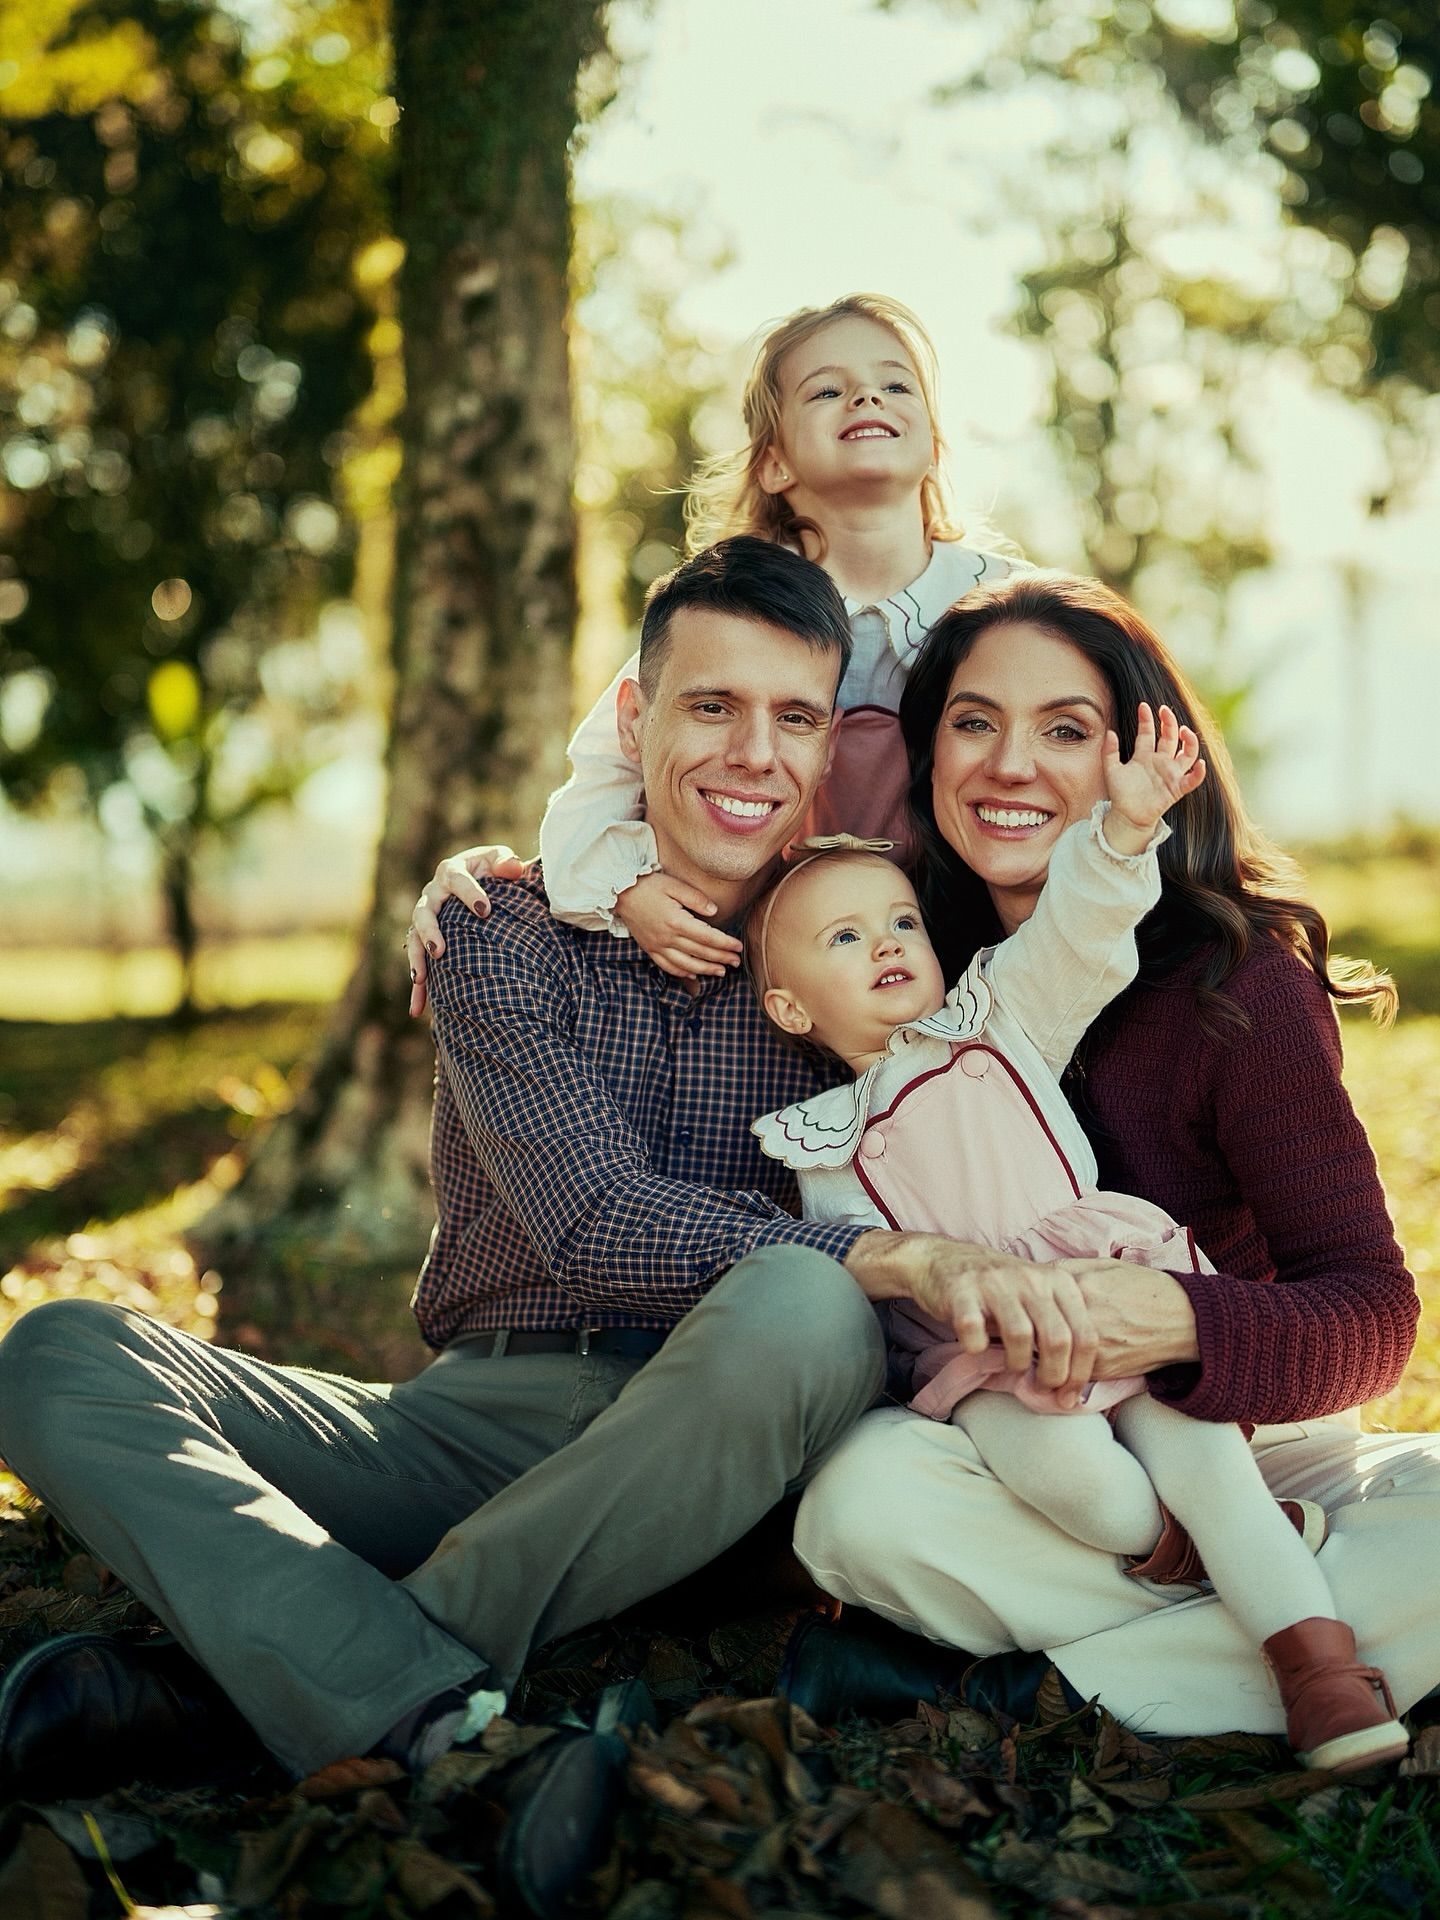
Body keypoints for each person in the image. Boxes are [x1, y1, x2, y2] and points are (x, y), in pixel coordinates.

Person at [0, 541, 1117, 1915]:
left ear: (831, 744)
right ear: (636, 720)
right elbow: (588, 1222)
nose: (752, 753)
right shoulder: (501, 930)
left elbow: (1045, 984)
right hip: (473, 1417)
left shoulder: (857, 950)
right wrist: (882, 1254)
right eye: (712, 707)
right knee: (58, 1354)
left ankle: (342, 1689)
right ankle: (411, 1679)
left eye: (796, 717)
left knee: (800, 1301)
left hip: (731, 1429)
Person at [787, 571, 1433, 1756]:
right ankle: (1280, 1626)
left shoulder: (1238, 987)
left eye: (1066, 730)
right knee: (857, 1503)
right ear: (928, 758)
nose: (1010, 764)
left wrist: (1178, 1322)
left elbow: (1376, 1318)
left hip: (1234, 1432)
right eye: (974, 722)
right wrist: (503, 879)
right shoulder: (894, 973)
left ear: (1137, 764)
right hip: (1023, 1432)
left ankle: (1031, 1686)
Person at [404, 292, 1020, 1000]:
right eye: (827, 389)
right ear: (774, 465)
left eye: (894, 383)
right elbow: (603, 772)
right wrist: (624, 887)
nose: (865, 396)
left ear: (936, 449)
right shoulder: (726, 619)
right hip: (796, 964)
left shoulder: (1011, 603)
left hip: (974, 953)